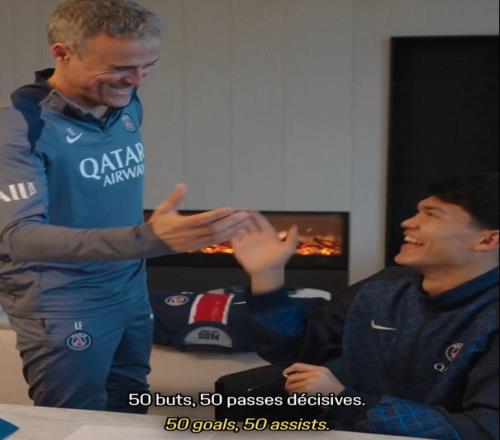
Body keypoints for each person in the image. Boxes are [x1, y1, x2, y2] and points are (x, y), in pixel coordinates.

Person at [0, 0, 251, 413]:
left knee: (130, 402)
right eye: (120, 68)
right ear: (63, 53)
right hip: (63, 299)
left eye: (148, 65)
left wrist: (148, 245)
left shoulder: (126, 104)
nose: (136, 80)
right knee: (74, 421)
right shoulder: (18, 128)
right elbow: (18, 238)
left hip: (130, 287)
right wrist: (147, 238)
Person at [232, 174, 499, 439]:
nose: (407, 222)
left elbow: (484, 429)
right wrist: (267, 275)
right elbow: (296, 349)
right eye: (418, 211)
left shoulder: (490, 315)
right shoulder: (383, 288)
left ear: (488, 240)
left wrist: (345, 401)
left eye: (432, 215)